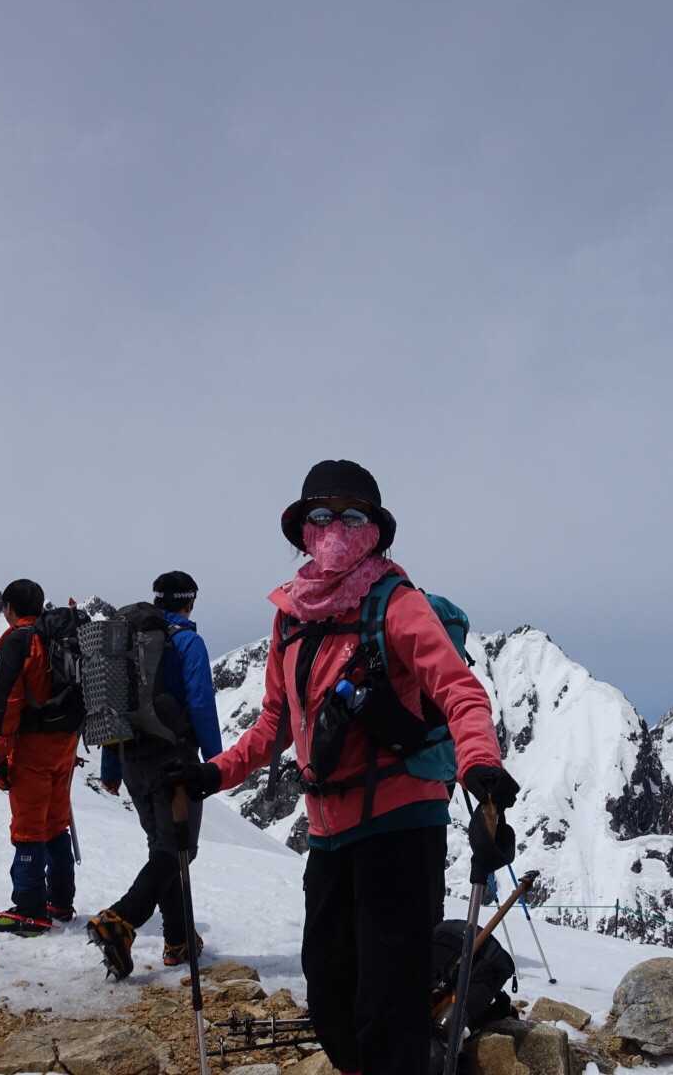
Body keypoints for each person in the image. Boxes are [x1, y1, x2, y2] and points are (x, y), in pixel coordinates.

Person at [170, 459, 518, 1075]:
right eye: (321, 517)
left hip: (402, 827)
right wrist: (213, 774)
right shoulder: (291, 617)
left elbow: (459, 692)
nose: (335, 529)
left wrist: (480, 768)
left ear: (375, 532)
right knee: (330, 994)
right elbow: (275, 722)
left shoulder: (397, 604)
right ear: (303, 531)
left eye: (352, 517)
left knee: (389, 1001)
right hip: (329, 835)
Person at [86, 571, 225, 978]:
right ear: (190, 601)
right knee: (178, 849)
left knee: (163, 847)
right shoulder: (187, 642)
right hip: (174, 760)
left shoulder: (127, 643)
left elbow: (113, 706)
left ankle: (178, 938)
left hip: (133, 759)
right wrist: (217, 763)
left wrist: (111, 767)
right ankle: (121, 919)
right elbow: (201, 703)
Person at [0, 579, 79, 935]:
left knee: (28, 827)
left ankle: (29, 908)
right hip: (66, 745)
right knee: (55, 823)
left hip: (31, 747)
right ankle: (61, 901)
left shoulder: (21, 642)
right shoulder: (60, 637)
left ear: (9, 608)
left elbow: (7, 702)